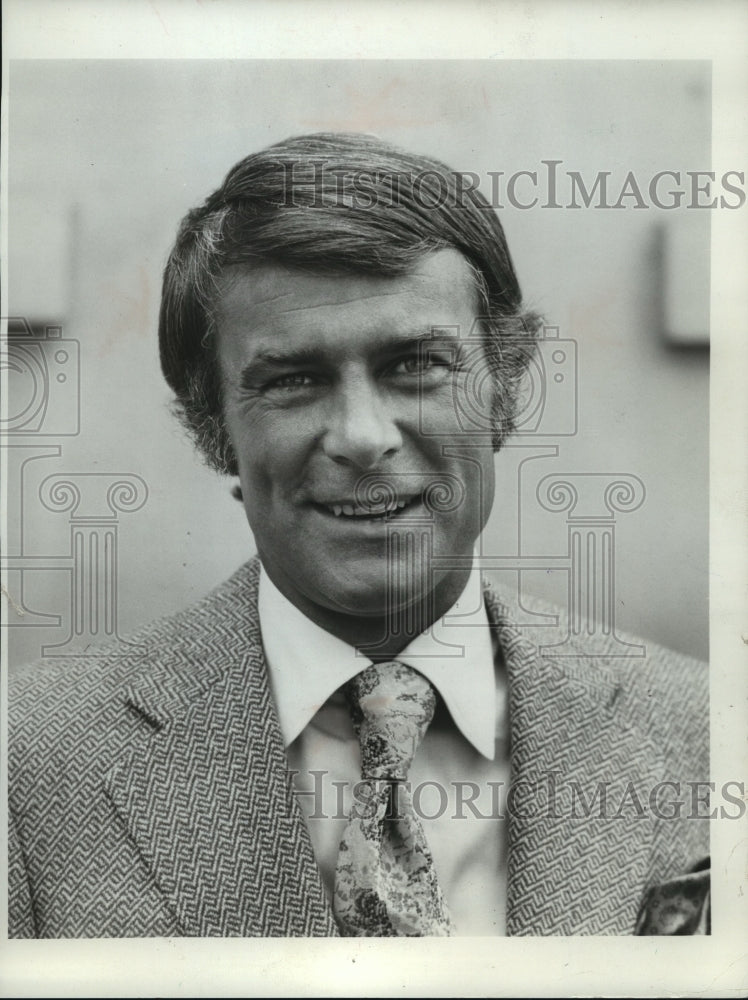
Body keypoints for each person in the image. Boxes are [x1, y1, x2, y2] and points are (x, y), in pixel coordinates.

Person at [8, 132, 709, 938]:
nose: (362, 435)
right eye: (294, 381)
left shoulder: (707, 730)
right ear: (215, 427)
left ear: (505, 392)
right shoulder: (29, 761)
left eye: (415, 365)